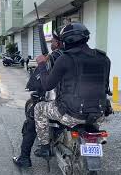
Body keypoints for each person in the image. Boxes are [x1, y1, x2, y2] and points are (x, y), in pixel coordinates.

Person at [33, 22, 111, 157]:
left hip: (71, 114)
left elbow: (47, 85)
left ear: (66, 41)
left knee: (39, 108)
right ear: (86, 38)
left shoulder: (65, 59)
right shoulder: (104, 58)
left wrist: (41, 64)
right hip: (99, 113)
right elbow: (104, 86)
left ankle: (45, 146)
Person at [12, 30, 64, 168]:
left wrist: (41, 64)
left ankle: (25, 157)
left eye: (53, 41)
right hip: (91, 107)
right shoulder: (89, 57)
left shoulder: (57, 56)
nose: (51, 43)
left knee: (33, 119)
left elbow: (46, 82)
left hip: (61, 104)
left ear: (59, 43)